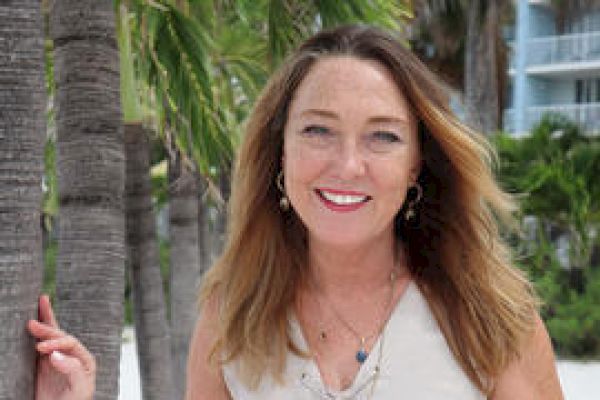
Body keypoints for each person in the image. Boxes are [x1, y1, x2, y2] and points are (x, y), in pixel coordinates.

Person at [29, 24, 563, 400]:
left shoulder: (490, 320)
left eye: (383, 136)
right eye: (318, 130)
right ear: (279, 152)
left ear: (417, 164)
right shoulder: (231, 316)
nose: (347, 164)